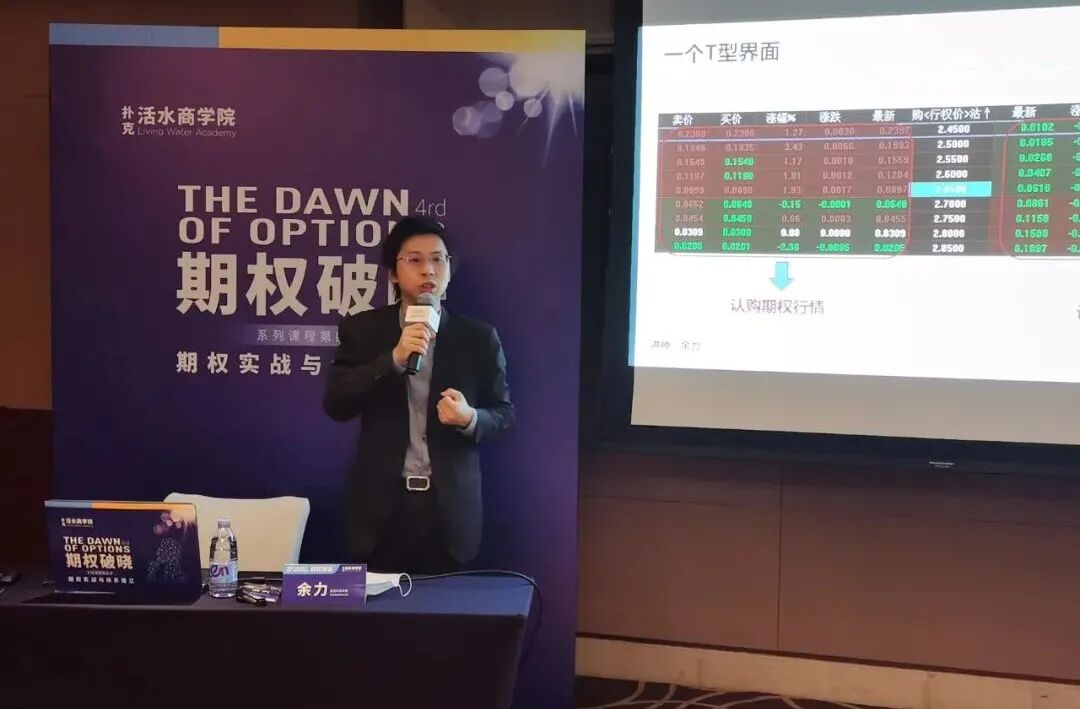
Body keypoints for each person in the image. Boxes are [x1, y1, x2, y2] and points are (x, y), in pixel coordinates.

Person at [323, 216, 514, 574]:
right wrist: (392, 360)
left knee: (447, 609)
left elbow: (504, 415)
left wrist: (470, 418)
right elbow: (336, 403)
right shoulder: (364, 330)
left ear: (449, 271)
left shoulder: (477, 338)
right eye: (414, 260)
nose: (428, 269)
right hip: (380, 510)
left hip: (449, 512)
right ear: (393, 274)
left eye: (438, 259)